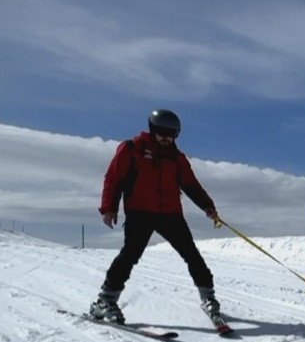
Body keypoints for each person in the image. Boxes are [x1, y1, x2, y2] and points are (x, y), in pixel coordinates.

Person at [89, 109, 221, 324]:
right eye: (162, 132)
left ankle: (209, 298)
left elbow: (190, 185)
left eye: (172, 134)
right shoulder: (132, 149)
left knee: (191, 254)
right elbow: (113, 178)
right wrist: (109, 208)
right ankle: (105, 301)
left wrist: (208, 206)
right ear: (153, 129)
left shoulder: (177, 158)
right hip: (139, 212)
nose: (166, 137)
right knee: (130, 255)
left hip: (170, 214)